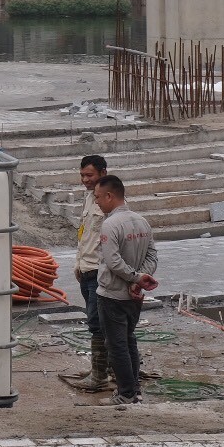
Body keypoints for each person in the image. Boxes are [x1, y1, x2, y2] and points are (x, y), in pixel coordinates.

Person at [94, 176, 159, 405]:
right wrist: (139, 279)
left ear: (110, 196)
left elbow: (112, 261)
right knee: (129, 340)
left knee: (117, 345)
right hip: (134, 296)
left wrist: (135, 278)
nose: (97, 203)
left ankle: (126, 393)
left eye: (99, 198)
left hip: (112, 295)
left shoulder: (110, 225)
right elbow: (152, 256)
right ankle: (134, 389)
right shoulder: (142, 221)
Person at [64, 153, 112, 393]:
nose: (84, 180)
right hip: (86, 271)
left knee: (98, 323)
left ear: (103, 173)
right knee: (97, 322)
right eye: (82, 175)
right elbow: (85, 234)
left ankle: (100, 376)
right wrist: (78, 264)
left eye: (89, 175)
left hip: (100, 273)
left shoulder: (109, 201)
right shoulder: (89, 199)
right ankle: (102, 368)